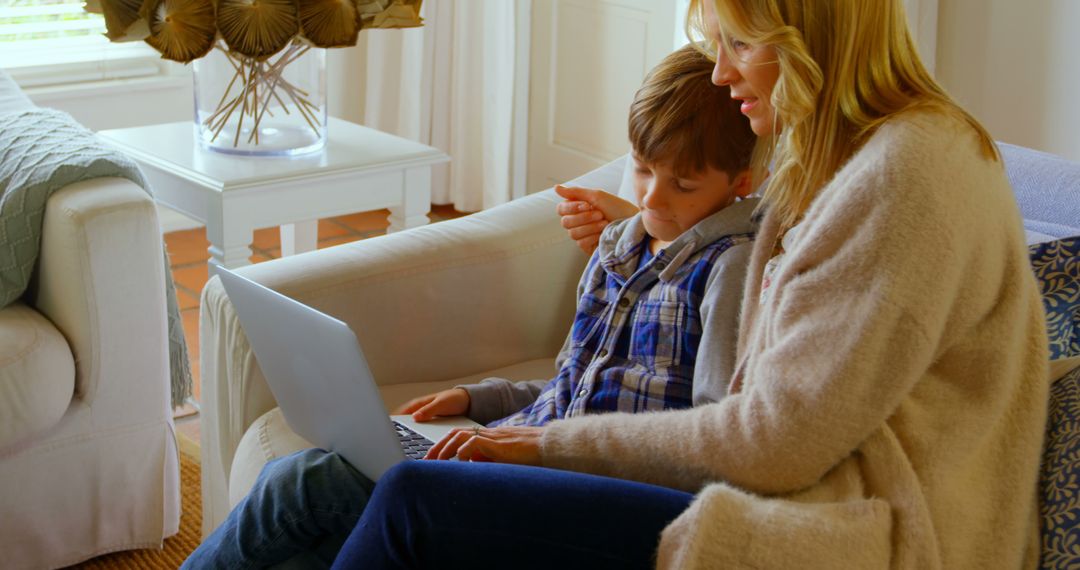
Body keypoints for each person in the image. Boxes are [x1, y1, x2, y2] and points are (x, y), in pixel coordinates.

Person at [329, 0, 1050, 569]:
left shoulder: (904, 176)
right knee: (338, 485)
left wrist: (548, 446)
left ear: (809, 38)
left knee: (413, 501)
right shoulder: (844, 153)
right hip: (806, 491)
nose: (720, 74)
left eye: (739, 44)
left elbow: (775, 442)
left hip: (861, 534)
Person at [182, 44, 760, 569]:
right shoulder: (621, 245)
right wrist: (479, 398)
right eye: (640, 169)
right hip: (524, 451)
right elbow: (575, 385)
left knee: (310, 482)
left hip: (582, 484)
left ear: (740, 182)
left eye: (682, 185)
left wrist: (536, 451)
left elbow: (709, 440)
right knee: (311, 527)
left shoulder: (729, 267)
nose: (652, 198)